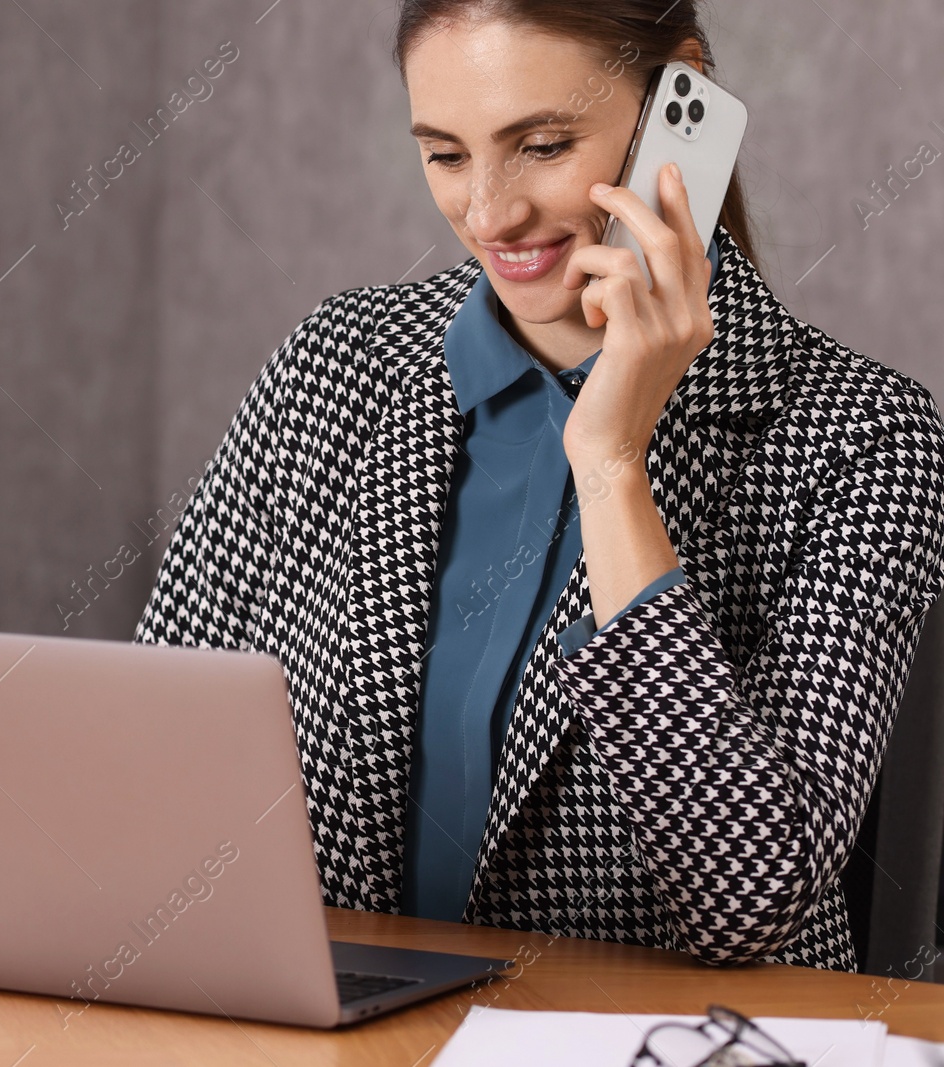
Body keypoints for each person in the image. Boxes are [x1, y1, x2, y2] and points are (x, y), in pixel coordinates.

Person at [132, 0, 944, 971]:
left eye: (543, 144)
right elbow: (149, 754)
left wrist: (609, 460)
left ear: (675, 96)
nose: (489, 212)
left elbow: (747, 899)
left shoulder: (864, 438)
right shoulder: (335, 365)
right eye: (444, 154)